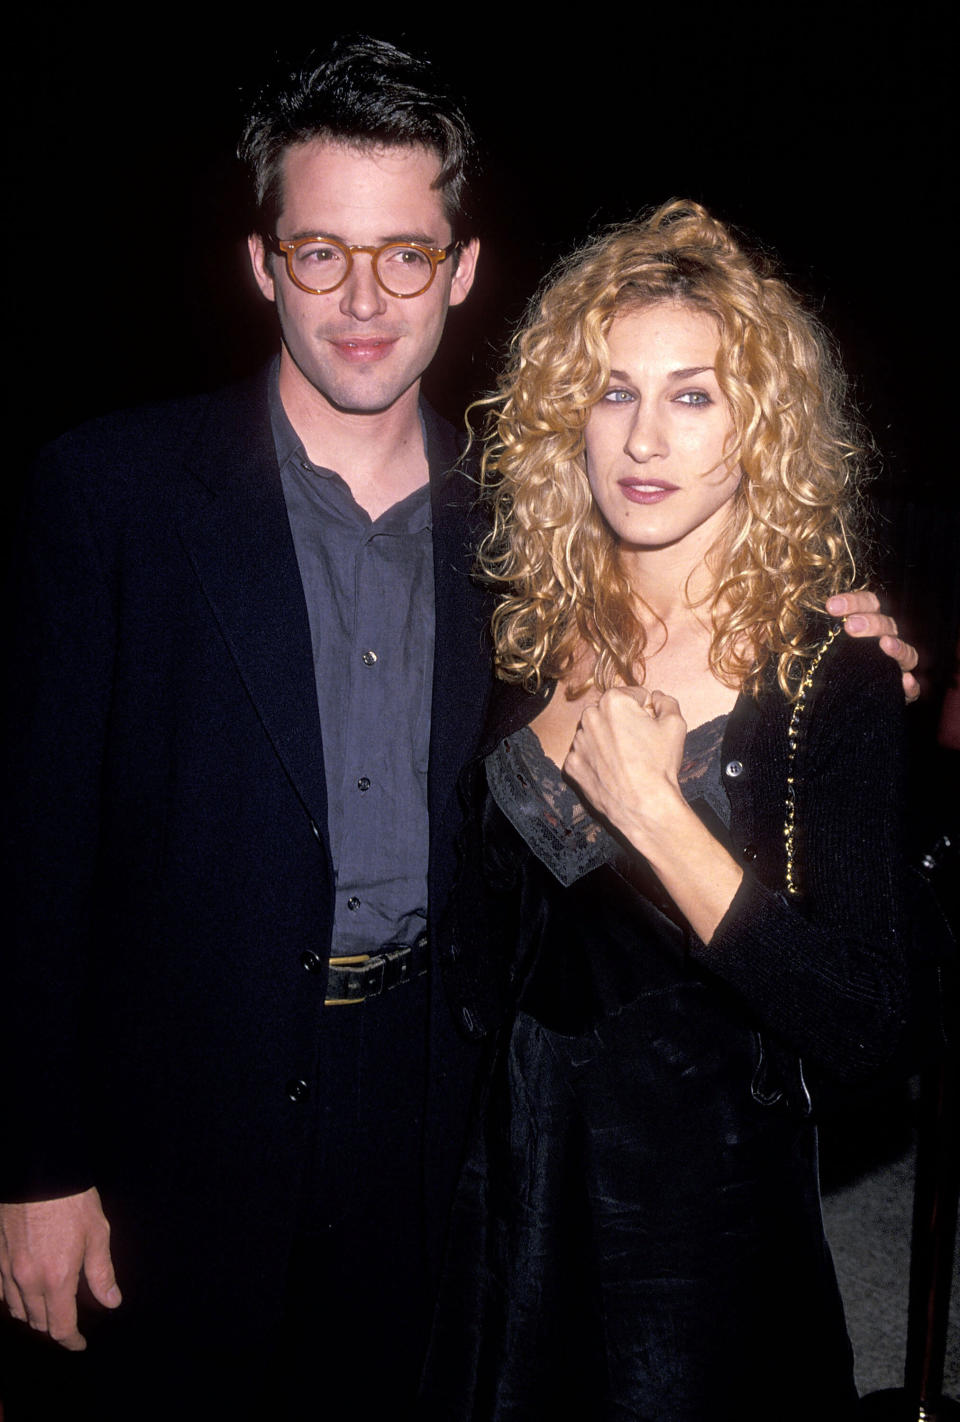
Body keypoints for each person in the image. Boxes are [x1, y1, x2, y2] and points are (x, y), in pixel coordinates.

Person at [0, 41, 914, 1421]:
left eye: (406, 254)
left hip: (445, 1114)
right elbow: (32, 858)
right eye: (320, 252)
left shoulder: (514, 544)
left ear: (463, 268)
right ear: (263, 263)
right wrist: (33, 1161)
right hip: (185, 1118)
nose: (365, 298)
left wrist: (851, 656)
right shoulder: (110, 495)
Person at [422, 200, 925, 1422]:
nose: (644, 437)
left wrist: (657, 815)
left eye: (694, 395)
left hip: (704, 1232)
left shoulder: (830, 680)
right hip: (516, 1190)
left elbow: (871, 1032)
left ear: (761, 426)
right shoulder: (526, 629)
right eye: (611, 392)